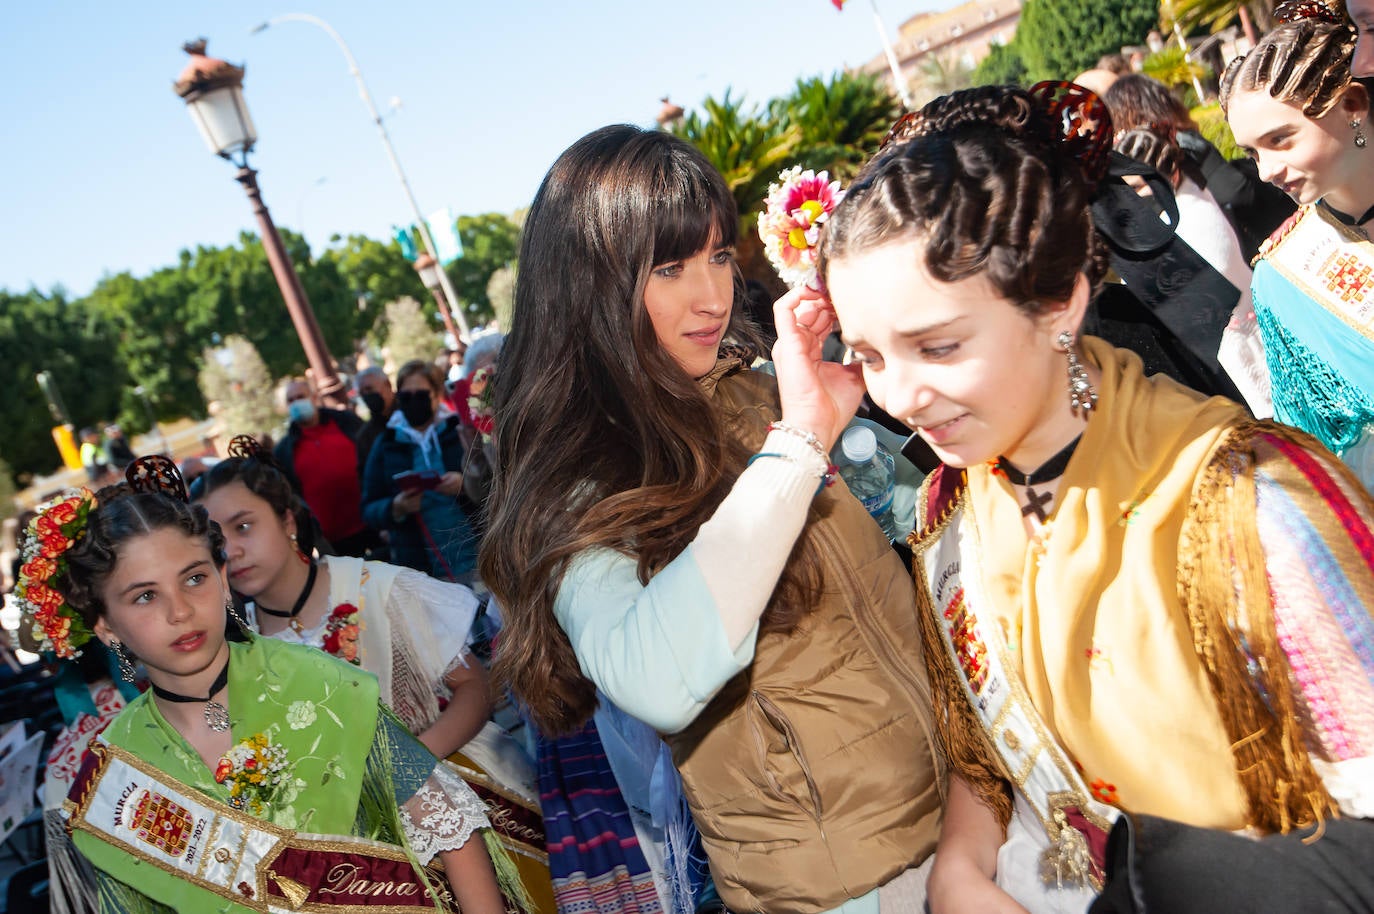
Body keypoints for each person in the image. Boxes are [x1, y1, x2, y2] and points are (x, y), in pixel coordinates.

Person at [818, 82, 1374, 914]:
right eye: (867, 356)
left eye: (938, 346)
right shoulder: (949, 522)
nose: (900, 396)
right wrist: (960, 870)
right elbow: (989, 758)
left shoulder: (1250, 505)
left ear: (1060, 303)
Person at [481, 124, 943, 914]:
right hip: (842, 886)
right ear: (589, 286)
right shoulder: (574, 479)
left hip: (965, 816)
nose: (713, 295)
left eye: (718, 256)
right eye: (669, 267)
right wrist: (799, 444)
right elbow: (656, 678)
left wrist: (893, 383)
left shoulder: (760, 388)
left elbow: (923, 526)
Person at [15, 459, 513, 914]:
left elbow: (449, 824)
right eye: (145, 596)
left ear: (223, 578)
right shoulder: (119, 770)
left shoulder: (318, 681)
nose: (180, 610)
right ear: (105, 625)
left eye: (193, 579)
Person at [194, 437, 556, 913]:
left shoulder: (374, 588)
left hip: (461, 794)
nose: (234, 550)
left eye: (244, 526)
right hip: (356, 855)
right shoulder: (238, 651)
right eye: (218, 542)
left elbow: (475, 687)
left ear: (286, 520)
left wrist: (405, 769)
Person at [1222, 1, 1374, 491]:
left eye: (1281, 139)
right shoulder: (1283, 276)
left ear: (1353, 105)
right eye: (1252, 153)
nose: (1266, 171)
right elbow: (1323, 457)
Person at [361, 360, 479, 584]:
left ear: (436, 394)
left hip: (480, 556)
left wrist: (466, 484)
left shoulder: (459, 430)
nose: (413, 402)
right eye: (406, 397)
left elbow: (495, 479)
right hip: (426, 572)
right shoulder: (386, 443)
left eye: (421, 395)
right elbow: (368, 508)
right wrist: (396, 507)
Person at [273, 376, 376, 557]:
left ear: (314, 397)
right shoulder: (284, 451)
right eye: (291, 400)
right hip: (333, 540)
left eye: (301, 396)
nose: (296, 402)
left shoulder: (347, 422)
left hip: (373, 522)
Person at [353, 365, 395, 478]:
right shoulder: (365, 436)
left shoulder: (412, 413)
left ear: (388, 385)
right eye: (362, 393)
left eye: (369, 389)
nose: (366, 396)